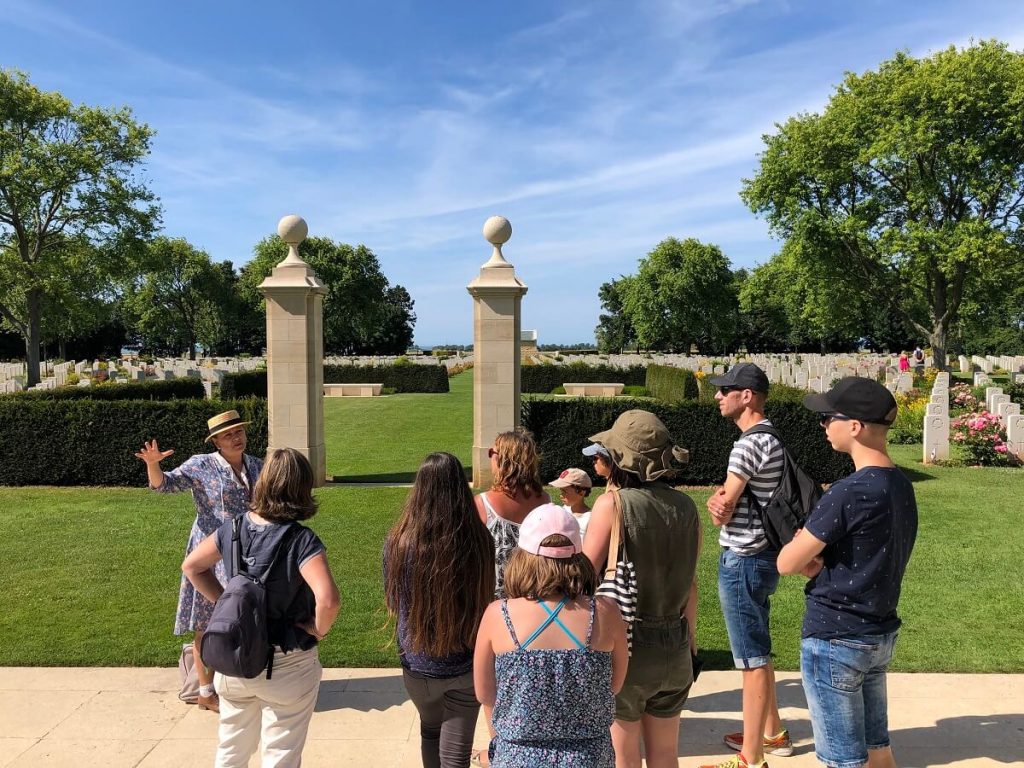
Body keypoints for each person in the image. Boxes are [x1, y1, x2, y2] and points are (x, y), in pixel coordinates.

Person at [778, 378, 918, 768]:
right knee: (879, 750)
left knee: (843, 759)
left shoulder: (847, 491)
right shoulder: (901, 485)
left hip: (835, 638)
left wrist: (802, 550)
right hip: (879, 633)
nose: (823, 426)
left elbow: (786, 562)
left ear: (854, 426)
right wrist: (822, 564)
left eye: (827, 417)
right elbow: (870, 553)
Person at [182, 447, 340, 768]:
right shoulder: (301, 540)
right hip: (286, 661)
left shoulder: (233, 528)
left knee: (231, 749)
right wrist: (317, 629)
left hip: (235, 657)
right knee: (281, 752)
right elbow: (328, 599)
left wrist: (228, 602)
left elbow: (193, 566)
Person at [583, 410, 700, 768]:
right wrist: (691, 646)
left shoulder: (612, 504)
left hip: (628, 645)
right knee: (666, 755)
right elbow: (691, 587)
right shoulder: (686, 507)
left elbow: (583, 575)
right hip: (677, 644)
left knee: (624, 755)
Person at [474, 503, 628, 767]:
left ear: (522, 556)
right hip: (589, 757)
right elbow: (614, 685)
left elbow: (485, 693)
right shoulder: (605, 612)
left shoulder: (498, 615)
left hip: (518, 755)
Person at [136, 409, 264, 713]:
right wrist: (154, 465)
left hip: (247, 551)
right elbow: (163, 486)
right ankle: (206, 692)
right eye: (228, 435)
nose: (236, 438)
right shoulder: (201, 465)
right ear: (216, 441)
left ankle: (240, 681)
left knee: (244, 617)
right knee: (207, 621)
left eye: (239, 432)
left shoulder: (257, 465)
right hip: (210, 553)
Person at [703, 364, 791, 768]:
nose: (719, 396)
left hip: (743, 558)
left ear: (748, 396)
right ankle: (772, 733)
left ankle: (751, 757)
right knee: (760, 648)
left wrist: (716, 503)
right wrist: (721, 499)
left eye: (727, 390)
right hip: (765, 555)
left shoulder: (747, 445)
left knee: (751, 660)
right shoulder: (772, 437)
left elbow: (724, 505)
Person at [384, 452, 496, 768]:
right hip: (464, 665)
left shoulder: (398, 542)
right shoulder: (479, 541)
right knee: (455, 757)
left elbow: (395, 602)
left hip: (417, 665)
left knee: (430, 733)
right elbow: (485, 597)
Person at [475, 428, 548, 598]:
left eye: (491, 452)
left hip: (495, 602)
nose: (490, 457)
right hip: (536, 596)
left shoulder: (483, 504)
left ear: (502, 459)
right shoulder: (546, 501)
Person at [549, 467, 593, 537]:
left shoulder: (590, 518)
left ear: (581, 492)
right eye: (561, 491)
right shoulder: (563, 510)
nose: (561, 495)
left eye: (564, 491)